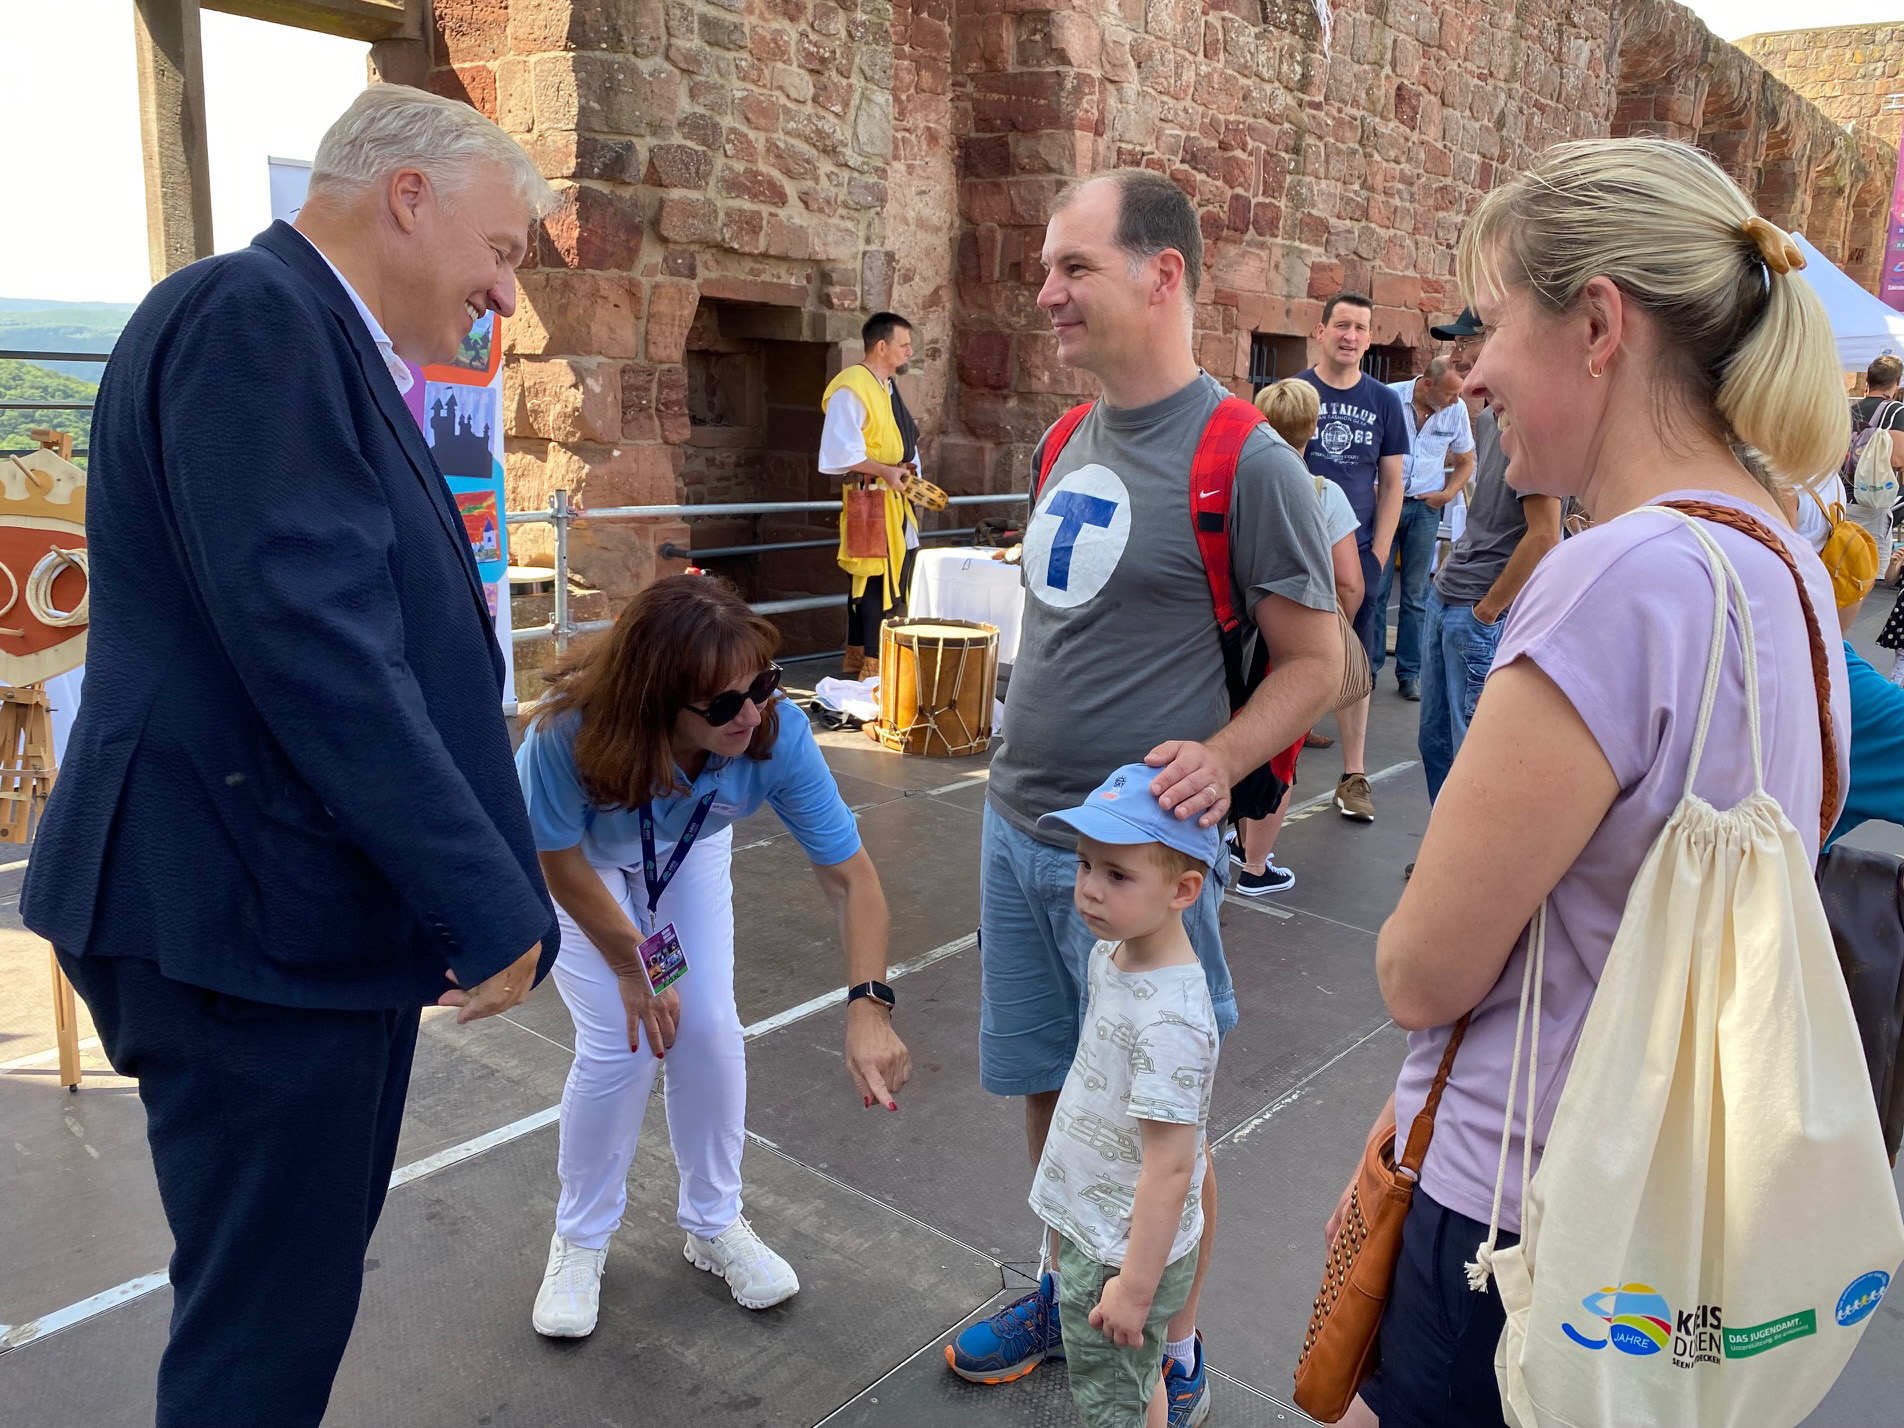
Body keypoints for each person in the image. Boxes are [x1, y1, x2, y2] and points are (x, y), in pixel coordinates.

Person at [18, 86, 562, 1427]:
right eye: (501, 252)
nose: (505, 297)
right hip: (242, 923)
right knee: (264, 1331)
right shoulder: (254, 318)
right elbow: (314, 644)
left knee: (285, 1303)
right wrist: (489, 898)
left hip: (274, 914)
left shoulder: (312, 336)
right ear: (410, 196)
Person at [1331, 137, 1850, 1428]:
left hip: (1513, 1220)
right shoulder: (1786, 567)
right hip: (1669, 1219)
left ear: (1599, 324)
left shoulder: (1613, 576)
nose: (1479, 369)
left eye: (1498, 321)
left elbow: (1423, 972)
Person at [947, 168, 1339, 1424]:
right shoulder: (1066, 438)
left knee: (1161, 1114)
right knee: (1053, 1093)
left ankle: (1170, 1333)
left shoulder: (1244, 461)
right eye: (1048, 267)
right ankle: (1074, 1293)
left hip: (1141, 868)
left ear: (1161, 275)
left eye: (1073, 268)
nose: (1045, 290)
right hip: (1023, 831)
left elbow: (1321, 665)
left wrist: (1223, 761)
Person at [517, 574, 911, 1335]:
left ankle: (712, 1223)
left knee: (705, 1029)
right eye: (725, 703)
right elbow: (556, 860)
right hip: (587, 867)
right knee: (625, 1043)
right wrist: (634, 966)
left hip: (682, 845)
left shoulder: (774, 736)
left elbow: (851, 879)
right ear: (655, 698)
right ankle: (580, 1240)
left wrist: (869, 1003)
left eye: (761, 685)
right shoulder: (565, 735)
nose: (752, 713)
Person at [1027, 765, 1224, 1428]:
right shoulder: (1113, 955)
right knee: (1130, 1385)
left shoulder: (1171, 1019)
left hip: (1123, 1250)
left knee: (1117, 1396)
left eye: (1117, 875)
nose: (1088, 890)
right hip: (1095, 1224)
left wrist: (1136, 1293)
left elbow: (1172, 1167)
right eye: (1086, 865)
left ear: (1184, 889)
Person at [1414, 323, 1563, 809]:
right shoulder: (1483, 420)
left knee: (1470, 751)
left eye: (1467, 341)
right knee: (1434, 744)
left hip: (1475, 609)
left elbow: (1545, 534)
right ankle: (1442, 863)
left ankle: (1465, 874)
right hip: (1450, 595)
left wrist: (1487, 610)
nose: (1457, 352)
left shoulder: (1537, 427)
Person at [1232, 378, 1366, 895]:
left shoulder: (1238, 478)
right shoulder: (1320, 491)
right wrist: (1334, 634)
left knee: (1233, 733)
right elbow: (1349, 581)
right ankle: (1256, 865)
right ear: (1313, 428)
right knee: (1279, 748)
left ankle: (1234, 836)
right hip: (1288, 637)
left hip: (1235, 633)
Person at [1295, 293, 1409, 822]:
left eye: (1361, 328)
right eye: (1342, 325)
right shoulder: (1297, 391)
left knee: (1356, 664)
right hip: (1297, 550)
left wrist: (1381, 550)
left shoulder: (1384, 401)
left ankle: (1353, 775)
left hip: (1356, 554)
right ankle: (1272, 768)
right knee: (1285, 653)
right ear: (1321, 331)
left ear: (1370, 337)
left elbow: (1391, 482)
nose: (1350, 335)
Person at [821, 312, 922, 678]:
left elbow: (905, 443)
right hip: (870, 500)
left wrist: (911, 477)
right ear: (882, 346)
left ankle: (873, 662)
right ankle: (871, 667)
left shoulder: (887, 386)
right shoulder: (851, 387)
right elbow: (839, 454)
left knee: (894, 578)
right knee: (872, 580)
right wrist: (885, 471)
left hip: (896, 499)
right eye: (904, 344)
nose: (910, 350)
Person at [1380, 359, 1474, 701]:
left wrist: (1448, 494)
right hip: (1385, 503)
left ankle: (1409, 674)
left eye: (1458, 394)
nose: (1455, 400)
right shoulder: (1389, 397)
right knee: (1376, 588)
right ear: (1427, 385)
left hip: (1424, 507)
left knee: (1416, 593)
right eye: (1450, 394)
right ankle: (1371, 668)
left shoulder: (1457, 409)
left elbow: (1466, 460)